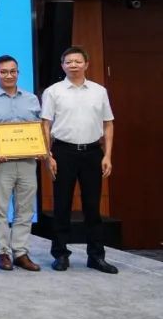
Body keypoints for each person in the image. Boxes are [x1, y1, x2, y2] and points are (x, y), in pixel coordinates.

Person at [41, 46, 117, 274]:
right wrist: (48, 155)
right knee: (62, 205)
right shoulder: (53, 92)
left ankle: (96, 256)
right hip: (63, 152)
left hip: (93, 153)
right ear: (62, 65)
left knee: (93, 206)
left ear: (86, 64)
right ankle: (60, 254)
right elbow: (45, 125)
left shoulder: (99, 91)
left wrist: (108, 155)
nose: (73, 65)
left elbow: (108, 124)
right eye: (68, 62)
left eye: (77, 61)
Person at [0, 54, 42, 272]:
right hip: (1, 163)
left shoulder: (32, 99)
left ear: (18, 73)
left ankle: (20, 252)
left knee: (25, 209)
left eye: (12, 71)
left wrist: (41, 148)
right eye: (3, 72)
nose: (8, 75)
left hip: (28, 162)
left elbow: (39, 128)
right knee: (0, 209)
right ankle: (3, 252)